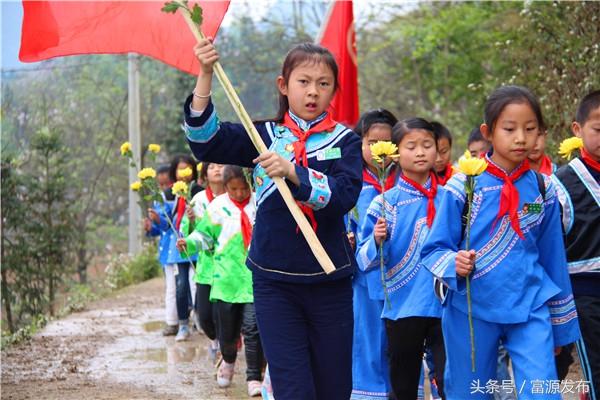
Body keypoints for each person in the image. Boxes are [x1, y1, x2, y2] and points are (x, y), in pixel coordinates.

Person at [182, 39, 362, 399]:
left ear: (334, 91)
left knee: (334, 384)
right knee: (292, 384)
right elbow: (206, 141)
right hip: (273, 282)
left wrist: (294, 172)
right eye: (304, 82)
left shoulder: (346, 141)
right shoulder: (261, 135)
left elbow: (344, 195)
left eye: (323, 84)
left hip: (331, 281)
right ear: (284, 85)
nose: (313, 92)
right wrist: (204, 74)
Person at [421, 85, 580, 399]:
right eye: (510, 129)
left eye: (530, 129)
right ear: (488, 132)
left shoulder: (543, 189)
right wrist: (454, 262)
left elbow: (553, 259)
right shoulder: (462, 186)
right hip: (471, 307)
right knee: (470, 392)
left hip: (530, 306)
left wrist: (561, 328)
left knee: (542, 391)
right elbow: (433, 248)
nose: (521, 138)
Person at [357, 118, 445, 399]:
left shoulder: (450, 198)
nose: (420, 152)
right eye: (411, 146)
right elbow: (362, 257)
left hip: (445, 305)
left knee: (447, 377)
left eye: (427, 145)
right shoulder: (384, 202)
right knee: (403, 382)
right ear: (396, 153)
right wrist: (377, 239)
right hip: (402, 305)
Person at [178, 165, 264, 396]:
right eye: (233, 189)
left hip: (253, 280)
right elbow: (204, 236)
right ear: (226, 188)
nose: (239, 194)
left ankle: (254, 376)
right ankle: (227, 360)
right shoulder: (218, 207)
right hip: (226, 280)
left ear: (250, 185)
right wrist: (190, 242)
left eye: (243, 189)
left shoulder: (259, 204)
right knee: (226, 332)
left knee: (253, 329)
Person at [552, 89, 600, 400]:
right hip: (586, 297)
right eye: (599, 129)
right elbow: (550, 250)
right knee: (597, 368)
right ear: (577, 130)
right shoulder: (561, 184)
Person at [349, 108, 398, 400]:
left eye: (387, 144)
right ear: (361, 143)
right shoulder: (351, 183)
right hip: (364, 279)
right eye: (371, 143)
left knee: (401, 342)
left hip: (403, 278)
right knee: (367, 339)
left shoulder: (408, 182)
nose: (380, 151)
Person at [154, 154, 202, 341]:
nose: (184, 173)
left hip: (198, 242)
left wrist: (194, 218)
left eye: (187, 168)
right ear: (174, 172)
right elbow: (165, 224)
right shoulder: (168, 195)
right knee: (181, 285)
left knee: (199, 282)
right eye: (180, 169)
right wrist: (157, 220)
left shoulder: (199, 191)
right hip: (179, 246)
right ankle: (183, 323)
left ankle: (200, 317)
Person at [181, 162, 225, 360]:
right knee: (205, 315)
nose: (217, 169)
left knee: (225, 311)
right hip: (206, 265)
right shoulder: (198, 200)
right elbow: (188, 233)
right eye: (212, 167)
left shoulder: (235, 195)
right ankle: (215, 339)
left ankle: (226, 346)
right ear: (204, 175)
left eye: (221, 165)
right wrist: (190, 220)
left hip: (230, 265)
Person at [145, 164, 177, 336]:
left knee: (182, 288)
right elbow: (161, 228)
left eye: (168, 184)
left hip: (179, 249)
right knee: (171, 289)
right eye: (161, 185)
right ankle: (173, 321)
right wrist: (151, 227)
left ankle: (182, 320)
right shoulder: (158, 200)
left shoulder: (179, 197)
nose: (165, 188)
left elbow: (170, 223)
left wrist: (160, 220)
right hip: (167, 251)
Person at [432, 121, 454, 185]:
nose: (439, 159)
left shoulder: (458, 176)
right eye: (434, 154)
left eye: (444, 152)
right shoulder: (420, 179)